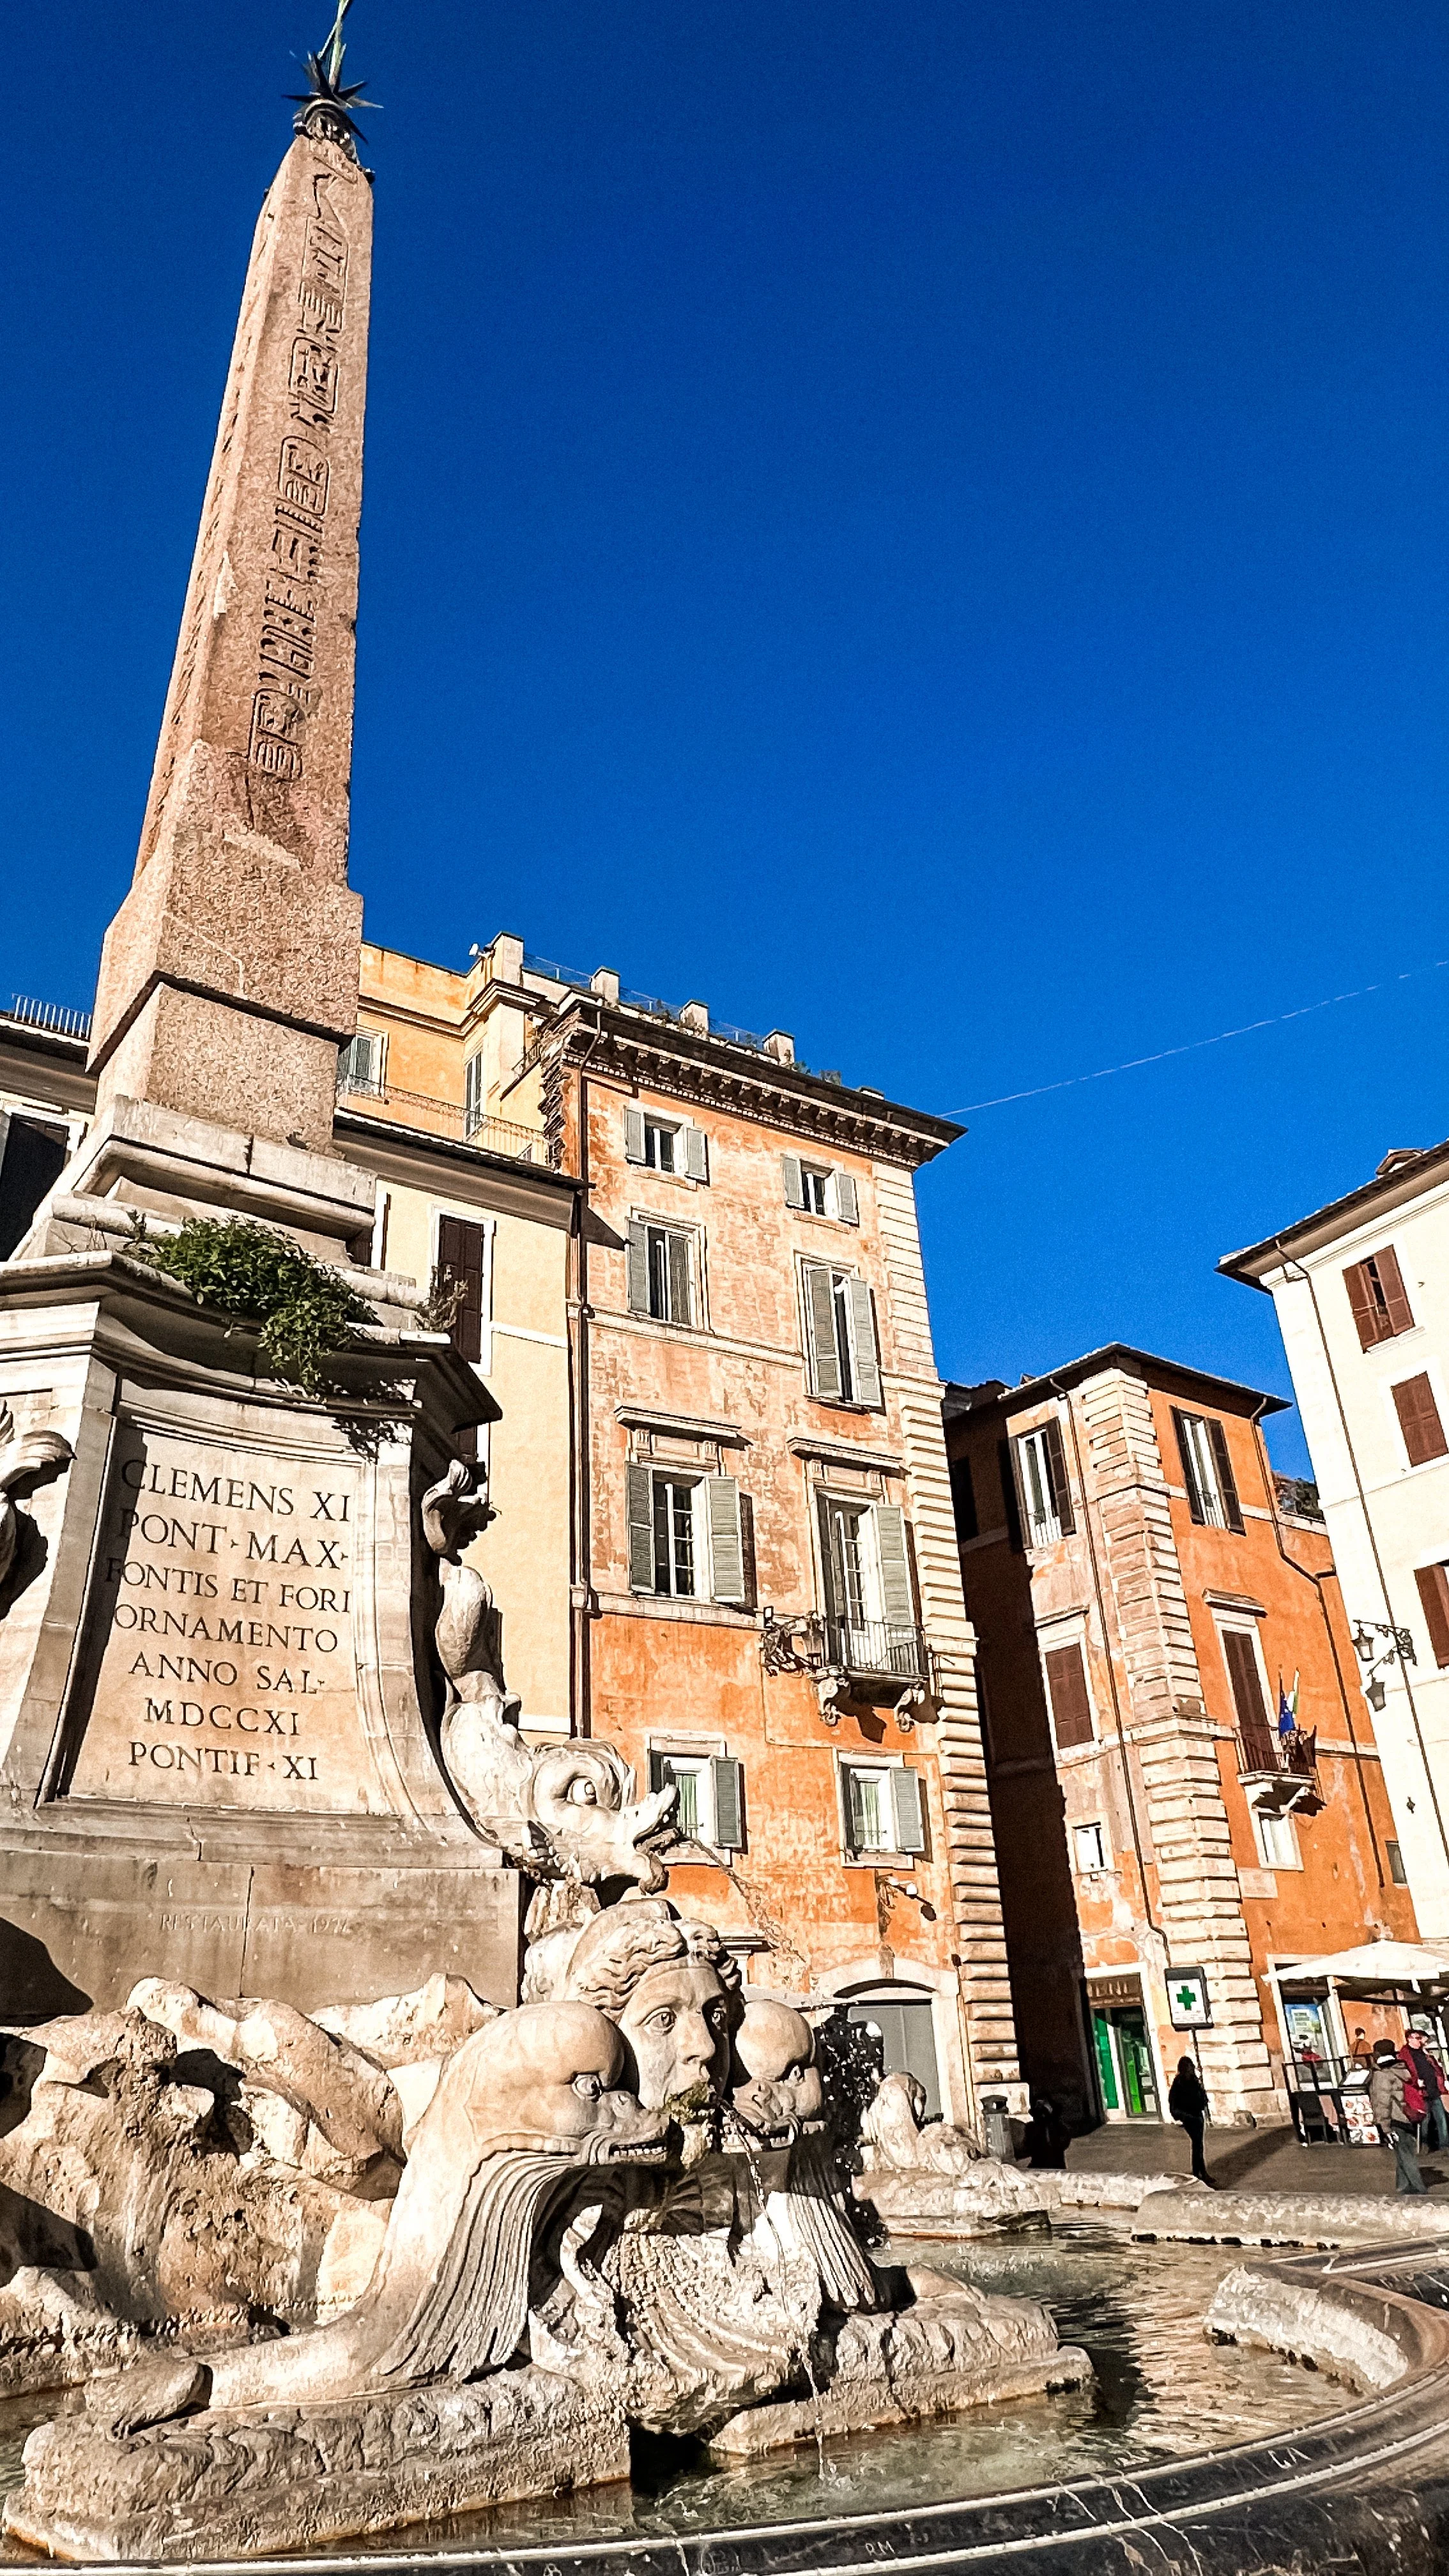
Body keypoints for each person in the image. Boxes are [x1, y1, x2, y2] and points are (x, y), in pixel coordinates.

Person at [1369, 2038, 1427, 2193]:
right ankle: (1403, 2186)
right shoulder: (1402, 2067)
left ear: (1377, 2053)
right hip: (1409, 2114)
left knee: (1405, 2154)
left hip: (1395, 2117)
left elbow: (1382, 2101)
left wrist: (1384, 2126)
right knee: (1403, 2150)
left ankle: (1419, 2188)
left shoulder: (1382, 2073)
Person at [1167, 2055, 1215, 2187]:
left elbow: (1201, 2095)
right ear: (1183, 2069)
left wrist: (1203, 2100)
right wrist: (1183, 2116)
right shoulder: (1179, 2084)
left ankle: (1200, 2172)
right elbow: (1174, 2104)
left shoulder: (1194, 2081)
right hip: (1189, 2117)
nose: (1190, 2069)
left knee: (1199, 2145)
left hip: (1198, 2115)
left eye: (1191, 2067)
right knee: (1197, 2144)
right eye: (1188, 2067)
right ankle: (1199, 2173)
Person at [1400, 2032, 1449, 2155]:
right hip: (1421, 2093)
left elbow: (1436, 2069)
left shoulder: (1424, 2053)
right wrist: (1415, 2081)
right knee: (1424, 2121)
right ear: (1410, 2039)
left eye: (1420, 2038)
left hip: (1434, 2091)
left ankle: (1445, 2145)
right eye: (1418, 2038)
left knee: (1441, 2119)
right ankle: (1424, 2144)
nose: (1420, 2041)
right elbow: (1406, 2074)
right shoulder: (1406, 2055)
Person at [1020, 2097, 1071, 2168]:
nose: (1042, 2117)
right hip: (1038, 2165)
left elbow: (1062, 2144)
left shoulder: (1059, 2128)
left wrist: (1050, 2127)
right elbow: (1026, 2147)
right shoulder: (1031, 2128)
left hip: (1056, 2166)